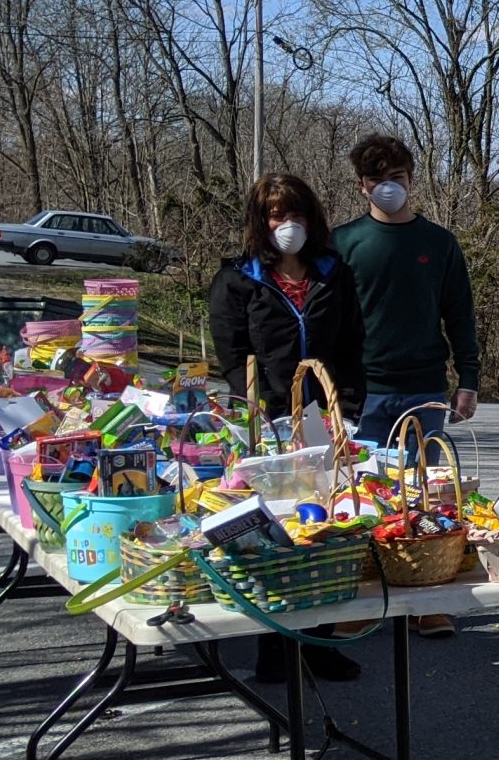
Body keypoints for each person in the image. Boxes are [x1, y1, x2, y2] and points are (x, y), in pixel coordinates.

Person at [206, 172, 365, 683]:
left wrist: (350, 411)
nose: (287, 225)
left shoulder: (332, 273)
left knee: (321, 527)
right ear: (261, 221)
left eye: (295, 214)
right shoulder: (238, 278)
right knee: (275, 532)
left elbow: (351, 346)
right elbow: (231, 353)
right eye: (277, 215)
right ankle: (273, 648)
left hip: (323, 416)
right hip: (267, 419)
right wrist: (254, 408)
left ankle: (317, 641)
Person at [331, 134, 483, 637]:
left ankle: (425, 599)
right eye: (377, 180)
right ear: (362, 186)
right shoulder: (343, 243)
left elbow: (460, 314)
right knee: (361, 497)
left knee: (420, 497)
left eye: (396, 178)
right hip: (362, 390)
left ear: (411, 180)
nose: (388, 188)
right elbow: (325, 318)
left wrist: (469, 379)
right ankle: (363, 597)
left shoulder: (438, 243)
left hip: (425, 388)